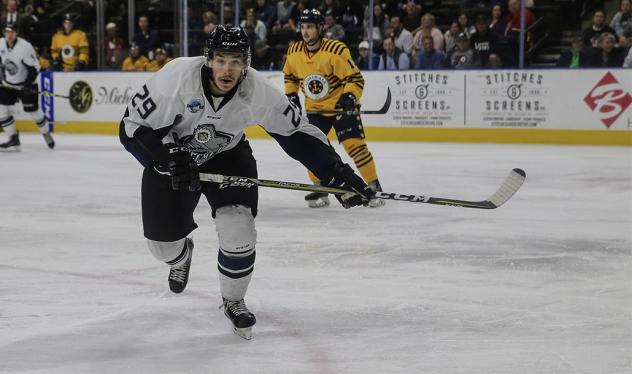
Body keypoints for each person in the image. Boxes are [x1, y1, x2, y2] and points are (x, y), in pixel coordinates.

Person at [119, 25, 374, 340]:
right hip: (173, 160)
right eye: (222, 60)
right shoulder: (176, 79)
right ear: (208, 59)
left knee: (238, 229)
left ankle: (233, 298)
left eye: (237, 61)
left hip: (227, 155)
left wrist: (338, 173)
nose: (228, 69)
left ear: (246, 63)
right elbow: (132, 128)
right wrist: (165, 158)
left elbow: (296, 134)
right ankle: (182, 255)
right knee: (162, 248)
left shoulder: (256, 90)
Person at [283, 9, 385, 208]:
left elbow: (355, 78)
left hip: (341, 109)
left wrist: (349, 96)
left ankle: (374, 187)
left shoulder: (336, 50)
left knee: (355, 146)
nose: (305, 32)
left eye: (310, 27)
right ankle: (320, 188)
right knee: (311, 149)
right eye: (303, 27)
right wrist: (291, 95)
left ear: (321, 28)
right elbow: (290, 76)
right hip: (314, 110)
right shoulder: (294, 52)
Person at [0, 23, 54, 150]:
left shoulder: (25, 47)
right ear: (4, 33)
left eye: (12, 32)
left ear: (16, 33)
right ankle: (13, 138)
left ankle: (46, 134)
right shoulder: (1, 43)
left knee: (34, 113)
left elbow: (35, 68)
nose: (9, 34)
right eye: (7, 32)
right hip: (8, 85)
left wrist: (27, 85)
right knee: (1, 110)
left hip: (26, 85)